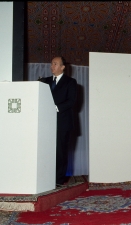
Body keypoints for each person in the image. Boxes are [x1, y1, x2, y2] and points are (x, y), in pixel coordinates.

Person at [43, 56, 77, 187]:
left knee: (61, 151)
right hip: (46, 123)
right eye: (51, 64)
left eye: (55, 64)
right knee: (47, 151)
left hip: (63, 123)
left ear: (62, 67)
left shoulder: (70, 82)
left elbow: (71, 101)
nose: (52, 66)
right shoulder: (44, 81)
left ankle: (59, 179)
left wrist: (55, 108)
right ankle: (46, 177)